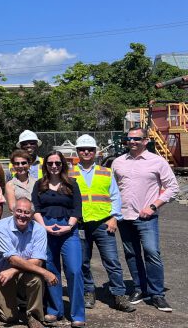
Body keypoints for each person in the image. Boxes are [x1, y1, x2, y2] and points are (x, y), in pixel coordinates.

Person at [111, 127, 179, 312]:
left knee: (152, 253)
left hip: (146, 217)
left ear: (146, 140)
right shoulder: (118, 162)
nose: (132, 142)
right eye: (129, 138)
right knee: (132, 255)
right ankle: (140, 288)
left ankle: (157, 294)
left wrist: (153, 206)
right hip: (124, 216)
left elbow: (173, 187)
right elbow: (113, 189)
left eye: (136, 139)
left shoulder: (157, 162)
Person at [71, 134, 134, 313]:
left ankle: (119, 295)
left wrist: (114, 218)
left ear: (95, 151)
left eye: (90, 149)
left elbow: (115, 196)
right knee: (83, 262)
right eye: (82, 149)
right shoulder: (70, 173)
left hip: (103, 223)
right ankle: (88, 292)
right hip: (80, 224)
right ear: (77, 151)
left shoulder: (105, 172)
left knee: (112, 261)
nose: (86, 152)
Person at [32, 151, 85, 327]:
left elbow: (77, 209)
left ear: (63, 165)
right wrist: (44, 227)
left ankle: (77, 314)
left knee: (75, 270)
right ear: (45, 166)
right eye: (50, 163)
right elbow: (36, 208)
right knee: (51, 269)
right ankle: (55, 310)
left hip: (68, 229)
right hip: (45, 228)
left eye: (57, 163)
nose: (54, 166)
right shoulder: (39, 185)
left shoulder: (72, 184)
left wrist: (68, 227)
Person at [0, 198, 57, 328]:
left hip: (18, 272)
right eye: (19, 211)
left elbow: (37, 261)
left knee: (36, 279)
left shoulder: (39, 230)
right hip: (0, 274)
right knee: (9, 317)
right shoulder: (1, 227)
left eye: (27, 212)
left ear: (32, 215)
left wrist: (13, 270)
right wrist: (45, 272)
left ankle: (34, 316)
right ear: (13, 211)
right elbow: (12, 259)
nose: (22, 215)